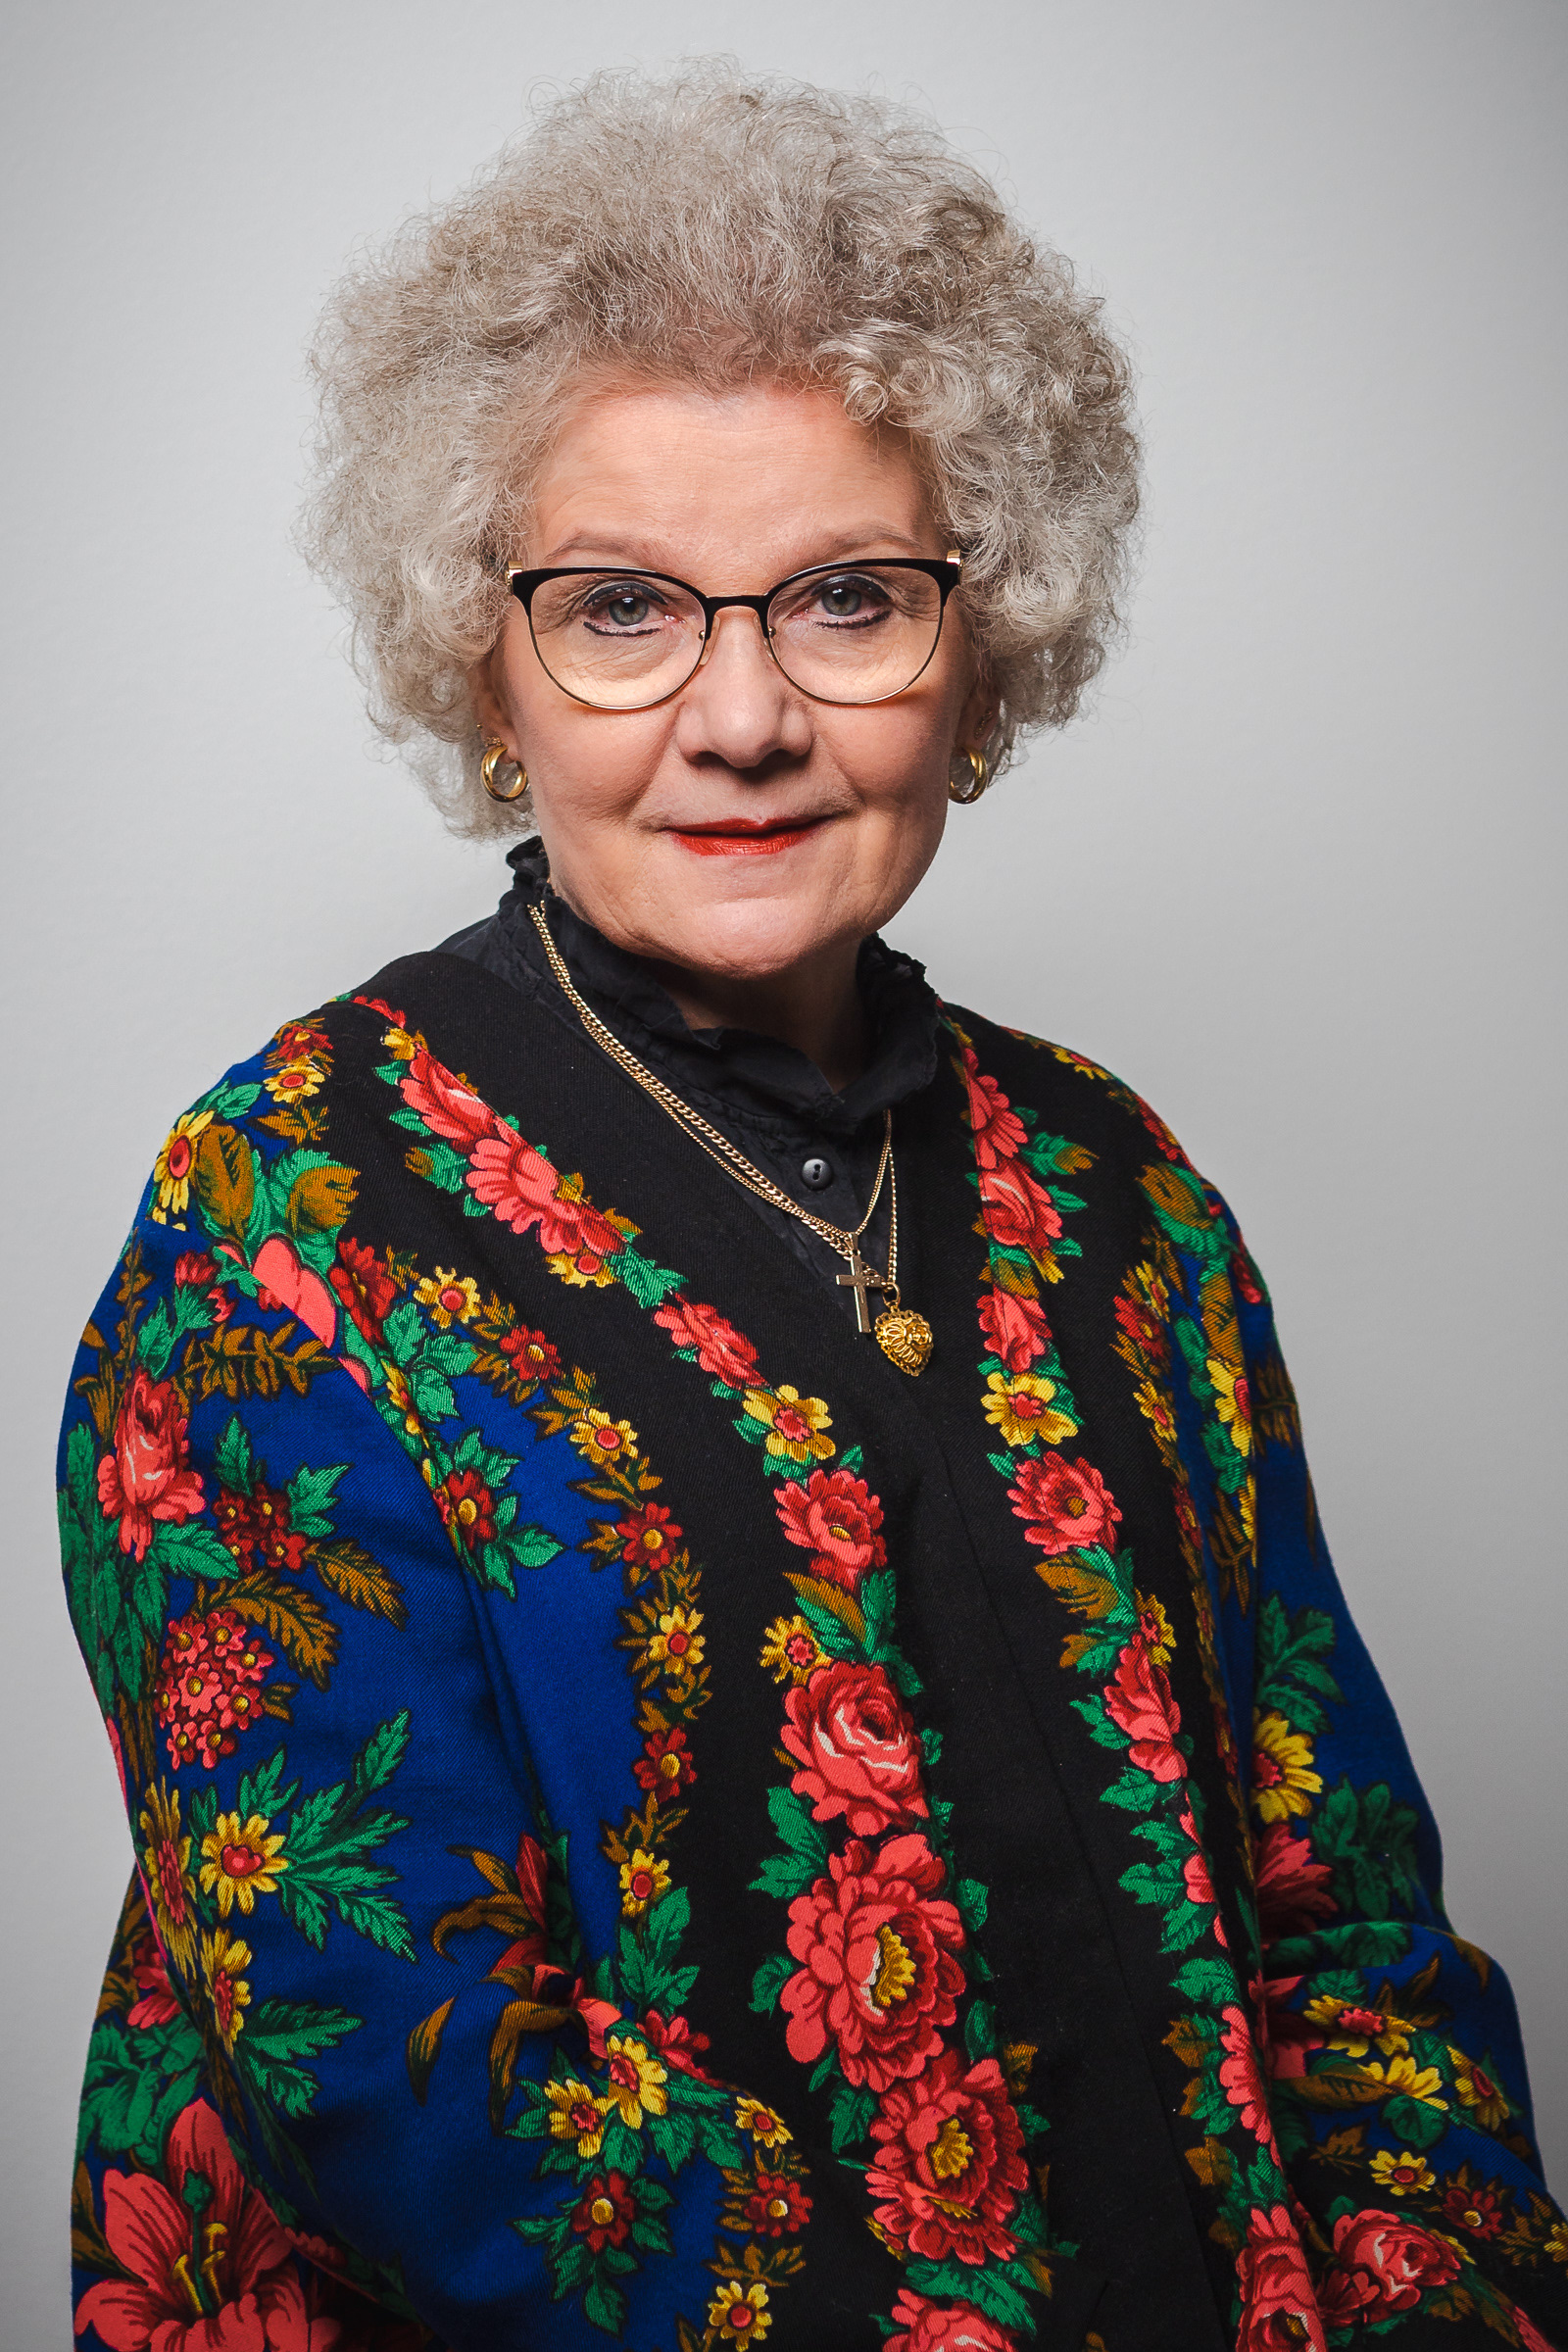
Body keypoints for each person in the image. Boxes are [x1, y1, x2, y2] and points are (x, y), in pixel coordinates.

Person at [58, 65, 1564, 2352]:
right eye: (621, 608)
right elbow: (383, 2085)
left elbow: (1341, 1910)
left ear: (977, 659)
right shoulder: (279, 1219)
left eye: (847, 598)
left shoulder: (1118, 1194)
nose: (744, 714)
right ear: (487, 668)